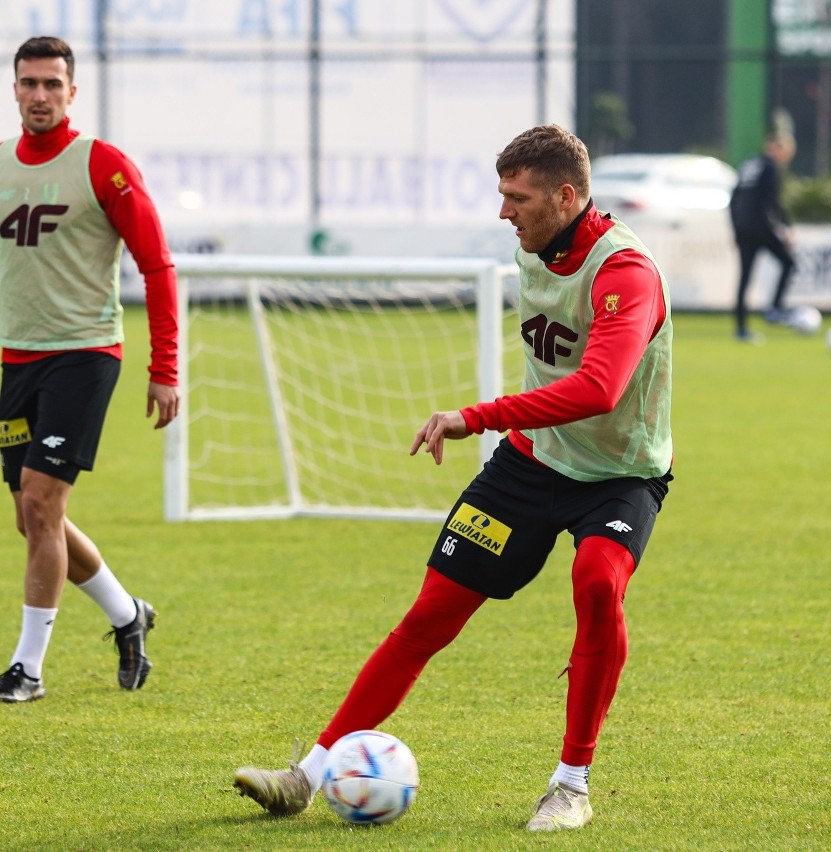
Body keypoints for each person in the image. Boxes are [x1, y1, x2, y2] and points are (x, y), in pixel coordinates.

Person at [233, 124, 673, 832]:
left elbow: (600, 388)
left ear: (566, 197)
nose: (504, 213)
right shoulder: (536, 241)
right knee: (429, 615)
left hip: (620, 473)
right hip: (531, 463)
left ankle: (571, 786)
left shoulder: (627, 272)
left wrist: (479, 415)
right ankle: (304, 777)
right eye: (501, 196)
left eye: (518, 198)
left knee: (596, 581)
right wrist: (508, 426)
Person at [0, 37, 180, 703]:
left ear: (73, 92)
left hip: (84, 356)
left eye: (52, 84)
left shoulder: (102, 165)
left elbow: (157, 265)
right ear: (14, 89)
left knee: (43, 503)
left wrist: (167, 367)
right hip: (15, 360)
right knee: (30, 516)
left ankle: (27, 669)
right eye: (29, 84)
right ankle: (127, 614)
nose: (40, 95)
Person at [729, 132, 797, 342]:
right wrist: (787, 226)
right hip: (761, 227)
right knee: (788, 262)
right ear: (775, 147)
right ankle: (774, 309)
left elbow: (733, 199)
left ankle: (741, 328)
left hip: (743, 228)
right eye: (786, 151)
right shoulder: (770, 167)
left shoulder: (749, 165)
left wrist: (735, 229)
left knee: (745, 278)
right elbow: (771, 201)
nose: (787, 157)